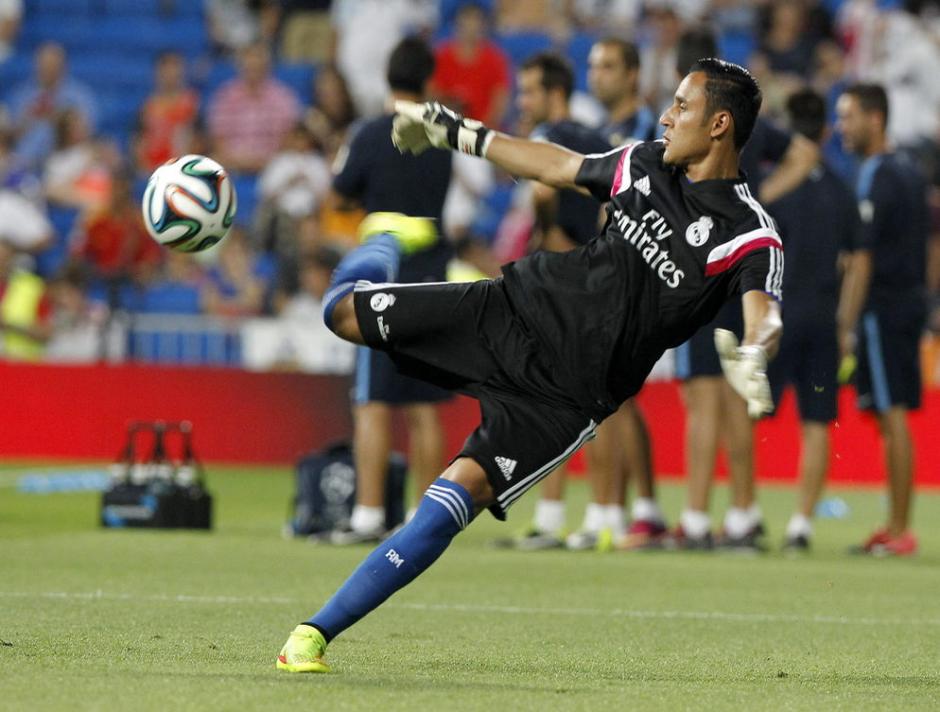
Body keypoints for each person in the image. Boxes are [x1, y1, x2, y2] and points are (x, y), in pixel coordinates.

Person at [276, 57, 783, 672]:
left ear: (720, 124)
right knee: (342, 316)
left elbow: (764, 308)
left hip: (562, 398)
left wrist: (756, 350)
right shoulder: (645, 161)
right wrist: (461, 133)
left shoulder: (749, 232)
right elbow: (558, 165)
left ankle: (311, 634)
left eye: (682, 106)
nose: (666, 116)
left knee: (458, 494)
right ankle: (379, 248)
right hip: (511, 310)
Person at [325, 37, 454, 546]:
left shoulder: (372, 134)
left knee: (374, 401)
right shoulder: (440, 138)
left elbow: (339, 191)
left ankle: (367, 515)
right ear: (428, 79)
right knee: (424, 403)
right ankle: (425, 522)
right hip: (431, 276)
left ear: (387, 78)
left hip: (380, 276)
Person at [765, 88, 861, 551]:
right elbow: (859, 260)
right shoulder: (842, 188)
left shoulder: (771, 184)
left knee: (743, 413)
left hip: (774, 316)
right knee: (817, 422)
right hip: (822, 320)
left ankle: (742, 513)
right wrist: (846, 324)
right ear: (826, 131)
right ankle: (801, 524)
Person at [836, 83, 929, 557]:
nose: (841, 126)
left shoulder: (875, 175)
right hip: (909, 303)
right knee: (888, 414)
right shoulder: (911, 170)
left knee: (891, 415)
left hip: (883, 309)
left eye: (848, 116)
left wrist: (844, 326)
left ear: (875, 119)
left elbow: (863, 258)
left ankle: (899, 530)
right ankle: (895, 524)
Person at [588, 35, 666, 550]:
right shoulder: (605, 131)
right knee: (619, 396)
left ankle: (619, 510)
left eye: (609, 66)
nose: (598, 75)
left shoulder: (645, 130)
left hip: (636, 274)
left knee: (613, 394)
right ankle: (642, 508)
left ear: (633, 74)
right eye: (594, 65)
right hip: (609, 272)